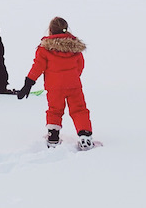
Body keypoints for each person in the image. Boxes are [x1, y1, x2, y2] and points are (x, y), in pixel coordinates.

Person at [17, 16, 94, 149]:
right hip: (74, 85)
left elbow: (37, 67)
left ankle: (53, 136)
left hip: (54, 87)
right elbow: (80, 65)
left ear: (50, 31)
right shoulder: (74, 47)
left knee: (54, 110)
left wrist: (28, 83)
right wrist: (73, 77)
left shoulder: (45, 49)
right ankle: (85, 135)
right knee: (79, 109)